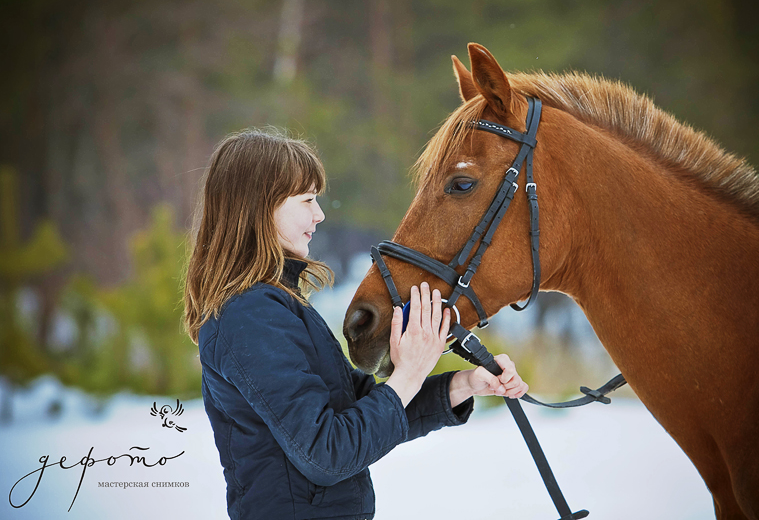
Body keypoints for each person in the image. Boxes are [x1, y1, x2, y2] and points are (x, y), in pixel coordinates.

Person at [183, 127, 528, 520]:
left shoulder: (274, 306)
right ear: (262, 206)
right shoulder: (249, 316)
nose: (319, 214)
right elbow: (327, 453)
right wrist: (408, 373)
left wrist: (462, 385)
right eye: (308, 199)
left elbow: (359, 411)